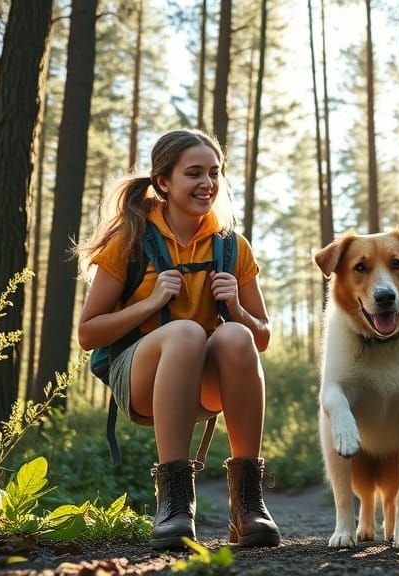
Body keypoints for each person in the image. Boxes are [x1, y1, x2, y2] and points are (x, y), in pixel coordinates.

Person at [76, 129, 280, 549]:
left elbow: (261, 339)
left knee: (237, 337)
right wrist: (150, 303)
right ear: (163, 182)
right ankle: (173, 502)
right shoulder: (128, 242)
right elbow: (87, 332)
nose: (207, 183)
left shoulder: (232, 246)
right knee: (186, 332)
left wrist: (238, 311)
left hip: (201, 386)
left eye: (214, 172)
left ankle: (248, 504)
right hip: (140, 381)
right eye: (194, 173)